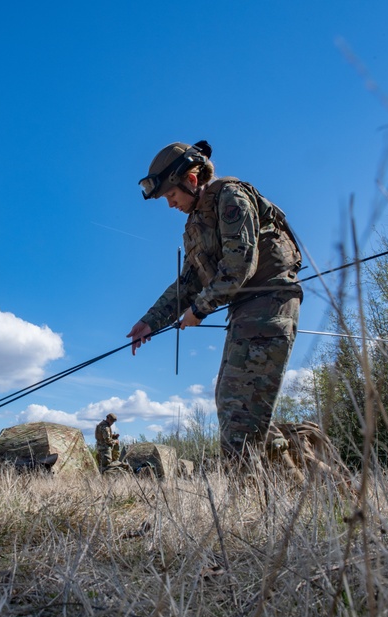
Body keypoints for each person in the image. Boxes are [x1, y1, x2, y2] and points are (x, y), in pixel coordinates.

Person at [126, 141, 302, 465]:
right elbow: (188, 284)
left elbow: (240, 266)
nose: (170, 205)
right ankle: (303, 486)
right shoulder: (195, 225)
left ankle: (248, 507)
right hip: (246, 311)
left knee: (239, 408)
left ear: (191, 180)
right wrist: (150, 321)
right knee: (233, 402)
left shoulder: (230, 197)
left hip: (269, 304)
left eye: (171, 195)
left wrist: (199, 310)